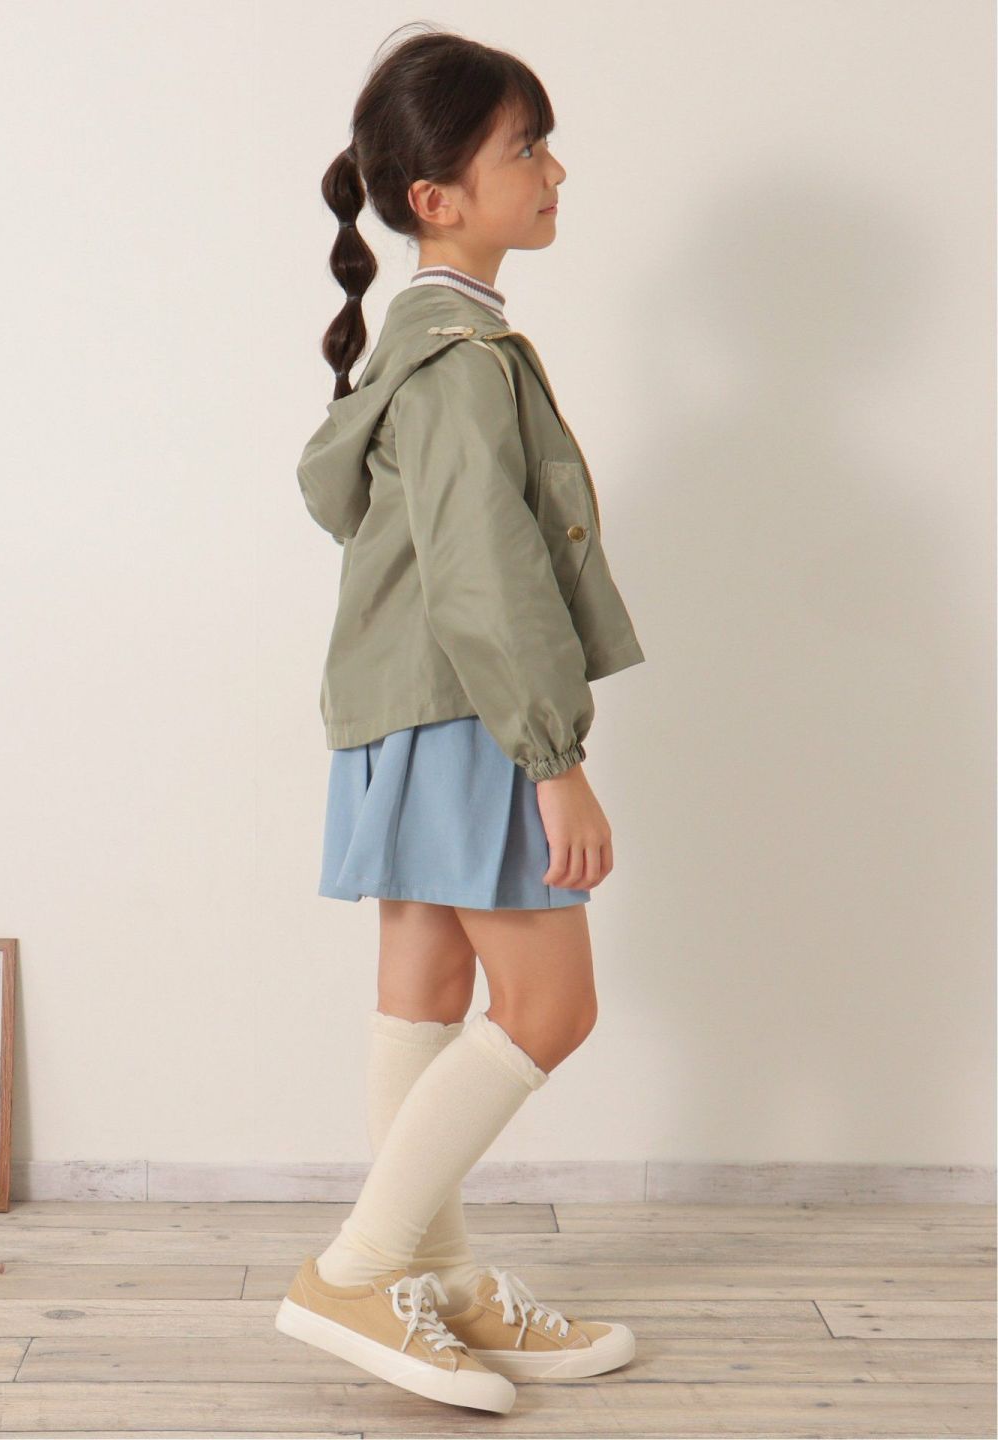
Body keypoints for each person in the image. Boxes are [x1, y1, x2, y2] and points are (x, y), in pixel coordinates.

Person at [274, 26, 645, 1415]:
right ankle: (360, 1270)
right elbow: (486, 575)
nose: (555, 170)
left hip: (410, 715)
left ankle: (434, 1272)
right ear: (437, 197)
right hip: (471, 715)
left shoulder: (425, 349)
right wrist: (557, 761)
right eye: (525, 148)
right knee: (551, 1008)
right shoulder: (457, 365)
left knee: (425, 1000)